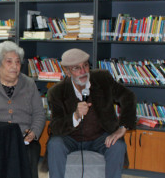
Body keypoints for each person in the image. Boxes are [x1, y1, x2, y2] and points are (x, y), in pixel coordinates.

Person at [46, 48, 136, 178]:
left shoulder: (102, 79)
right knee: (54, 144)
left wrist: (123, 128)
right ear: (67, 71)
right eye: (76, 68)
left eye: (86, 65)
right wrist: (75, 116)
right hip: (70, 138)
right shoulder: (56, 92)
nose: (83, 72)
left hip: (100, 137)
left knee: (118, 145)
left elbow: (128, 96)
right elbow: (56, 126)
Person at [0, 41, 46, 178]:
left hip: (24, 139)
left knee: (30, 152)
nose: (15, 66)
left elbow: (39, 113)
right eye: (9, 62)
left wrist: (33, 133)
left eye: (17, 62)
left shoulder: (29, 84)